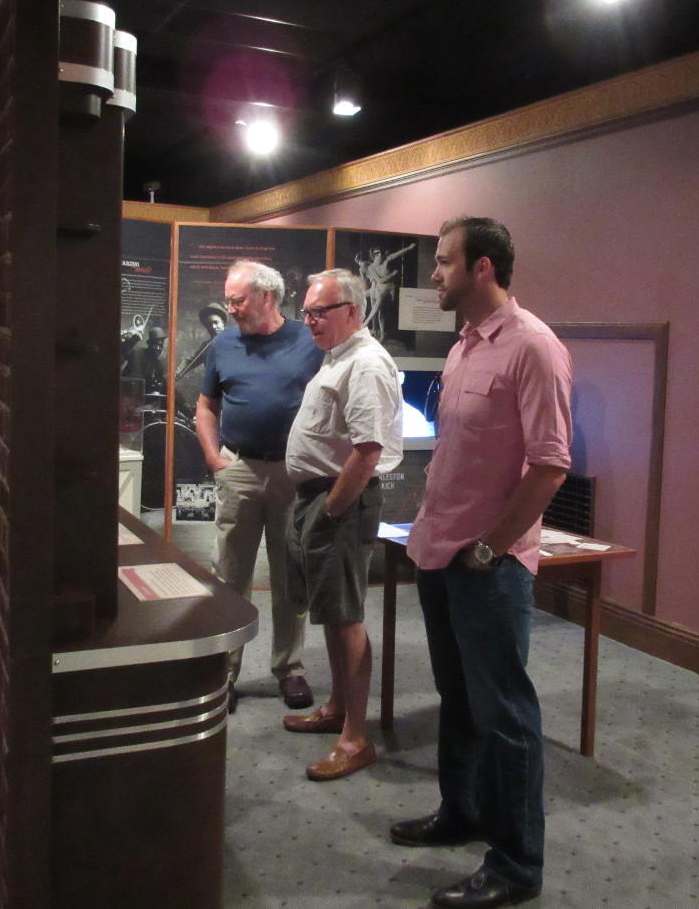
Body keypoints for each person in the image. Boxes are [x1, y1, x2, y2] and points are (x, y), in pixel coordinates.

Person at [392, 217, 571, 909]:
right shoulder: (466, 344)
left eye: (443, 262)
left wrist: (493, 545)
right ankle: (460, 811)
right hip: (440, 549)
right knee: (459, 699)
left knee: (505, 713)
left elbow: (551, 465)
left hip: (486, 564)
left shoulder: (533, 347)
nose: (433, 274)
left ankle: (517, 862)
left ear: (484, 268)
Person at [282, 268, 402, 781]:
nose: (308, 320)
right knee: (331, 613)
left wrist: (332, 510)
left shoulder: (367, 364)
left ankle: (356, 738)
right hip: (321, 498)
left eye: (318, 311)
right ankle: (335, 709)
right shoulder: (340, 357)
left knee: (347, 615)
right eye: (305, 311)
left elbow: (368, 451)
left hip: (341, 503)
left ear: (351, 311)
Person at [195, 261, 323, 712]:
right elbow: (206, 406)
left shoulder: (311, 341)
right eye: (228, 299)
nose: (230, 309)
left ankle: (289, 669)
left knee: (292, 574)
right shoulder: (224, 343)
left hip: (294, 474)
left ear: (268, 296)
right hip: (240, 469)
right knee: (229, 574)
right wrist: (215, 459)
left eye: (237, 300)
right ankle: (223, 671)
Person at [359, 241, 415, 342]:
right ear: (374, 256)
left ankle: (366, 323)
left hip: (388, 287)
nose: (380, 254)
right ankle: (376, 332)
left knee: (379, 300)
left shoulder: (386, 260)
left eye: (380, 252)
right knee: (378, 312)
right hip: (377, 288)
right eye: (377, 253)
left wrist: (409, 248)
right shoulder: (371, 267)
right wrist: (392, 274)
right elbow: (379, 280)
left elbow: (398, 253)